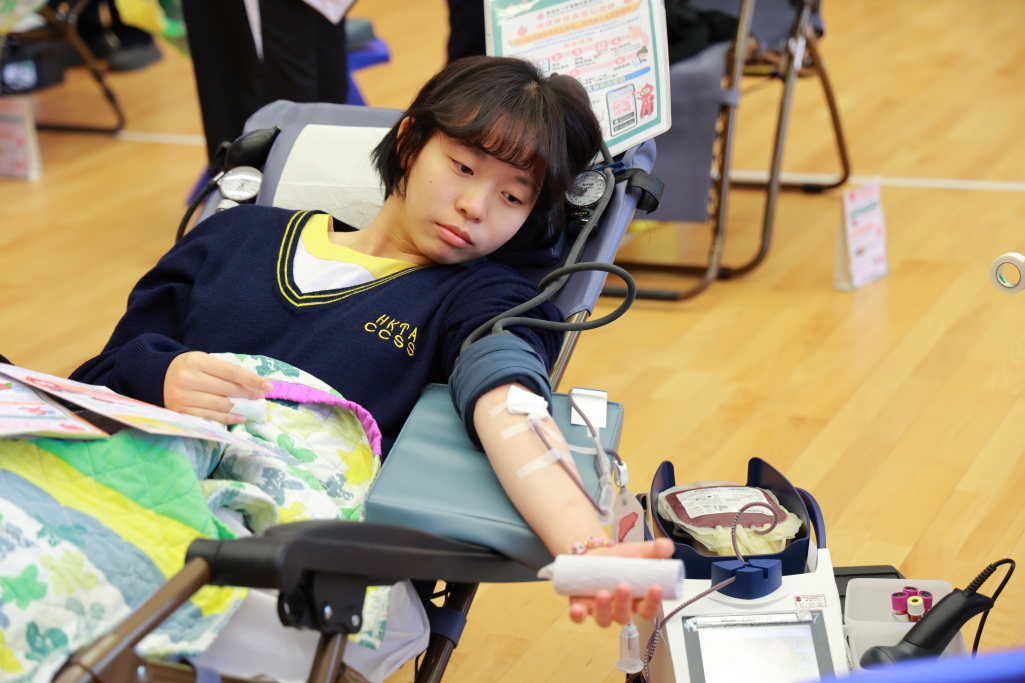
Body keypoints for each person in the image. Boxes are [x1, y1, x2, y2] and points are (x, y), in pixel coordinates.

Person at [71, 56, 673, 626]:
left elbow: (509, 404)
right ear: (409, 143)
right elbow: (90, 381)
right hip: (114, 489)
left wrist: (587, 545)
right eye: (463, 168)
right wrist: (158, 375)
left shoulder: (482, 298)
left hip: (272, 560)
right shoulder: (235, 235)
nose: (474, 206)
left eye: (512, 197)